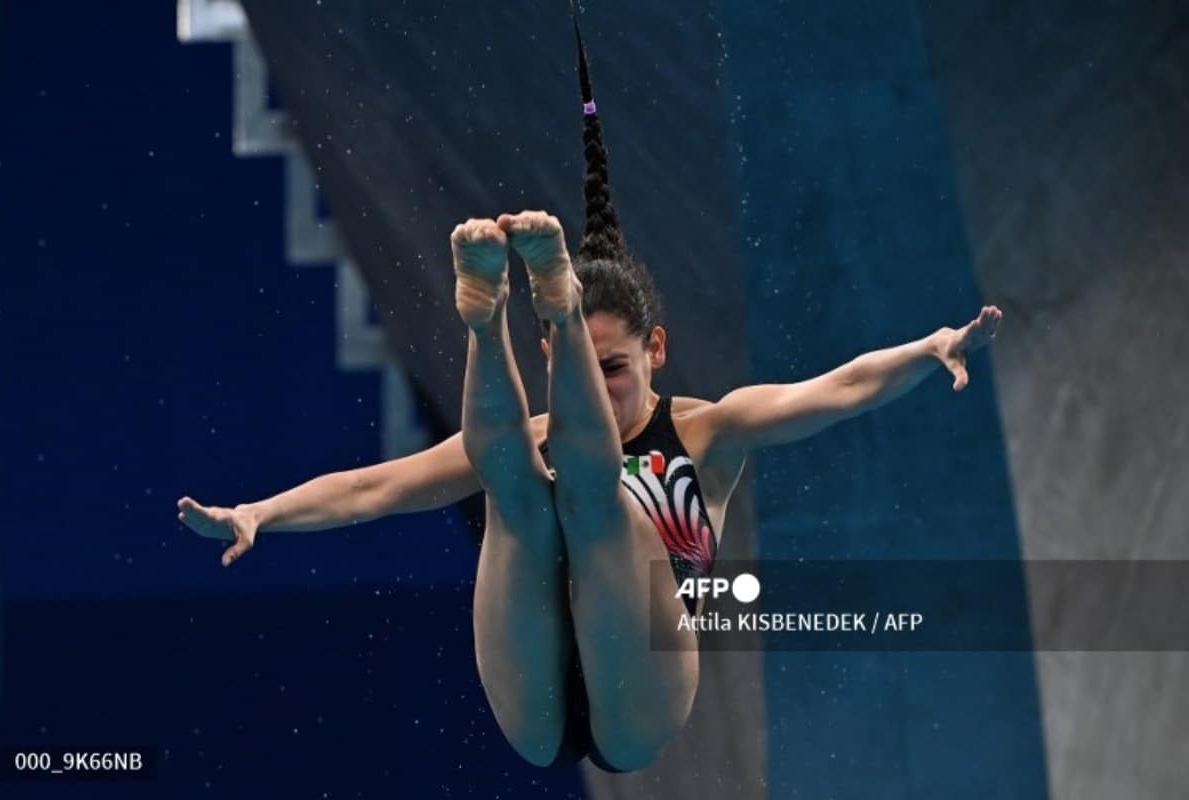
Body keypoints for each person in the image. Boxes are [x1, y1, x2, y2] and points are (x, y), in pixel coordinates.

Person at [177, 13, 1002, 774]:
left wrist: (930, 349)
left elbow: (843, 386)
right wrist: (263, 513)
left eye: (615, 367)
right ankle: (485, 322)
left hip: (641, 694)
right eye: (585, 364)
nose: (607, 390)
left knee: (597, 493)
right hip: (532, 695)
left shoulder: (708, 431)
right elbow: (375, 486)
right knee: (511, 485)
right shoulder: (538, 432)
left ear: (657, 351)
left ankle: (557, 306)